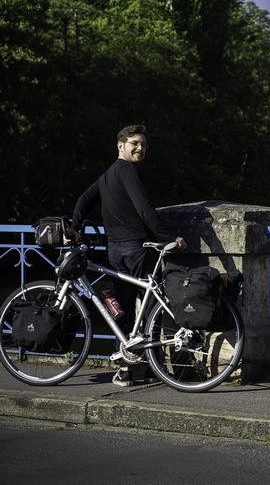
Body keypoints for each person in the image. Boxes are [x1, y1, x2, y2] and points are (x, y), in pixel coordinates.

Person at [71, 125, 186, 386]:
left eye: (144, 144)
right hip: (137, 248)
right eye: (135, 143)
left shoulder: (108, 175)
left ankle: (127, 369)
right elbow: (144, 209)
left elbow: (83, 201)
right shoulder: (128, 171)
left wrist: (75, 227)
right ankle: (151, 367)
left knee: (123, 312)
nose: (140, 148)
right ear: (120, 145)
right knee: (151, 308)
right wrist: (168, 238)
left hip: (115, 251)